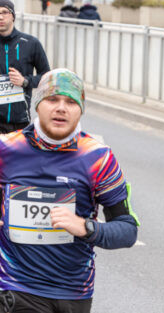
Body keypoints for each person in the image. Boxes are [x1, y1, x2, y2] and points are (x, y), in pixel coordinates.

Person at [0, 68, 140, 313]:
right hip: (16, 287)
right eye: (52, 99)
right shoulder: (7, 149)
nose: (61, 108)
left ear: (81, 109)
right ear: (37, 104)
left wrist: (84, 227)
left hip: (74, 291)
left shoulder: (98, 157)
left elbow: (127, 230)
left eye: (71, 101)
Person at [0, 0, 50, 134]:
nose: (0, 17)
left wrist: (25, 81)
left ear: (13, 16)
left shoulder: (31, 43)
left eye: (4, 12)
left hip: (20, 121)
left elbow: (47, 77)